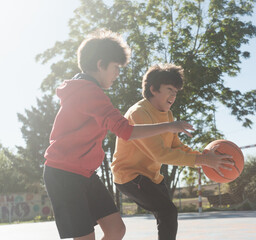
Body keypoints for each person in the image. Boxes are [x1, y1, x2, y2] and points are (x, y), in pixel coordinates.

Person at [43, 30, 194, 240]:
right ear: (100, 64)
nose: (117, 74)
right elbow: (126, 131)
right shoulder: (89, 93)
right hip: (64, 175)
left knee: (116, 230)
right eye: (115, 68)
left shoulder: (85, 90)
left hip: (85, 173)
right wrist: (169, 126)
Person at [111, 63, 234, 240]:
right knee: (167, 211)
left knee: (167, 214)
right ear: (153, 89)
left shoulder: (167, 114)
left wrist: (205, 157)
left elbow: (176, 147)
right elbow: (160, 154)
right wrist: (204, 161)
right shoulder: (138, 113)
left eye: (176, 92)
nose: (174, 95)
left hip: (151, 176)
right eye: (169, 89)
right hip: (129, 176)